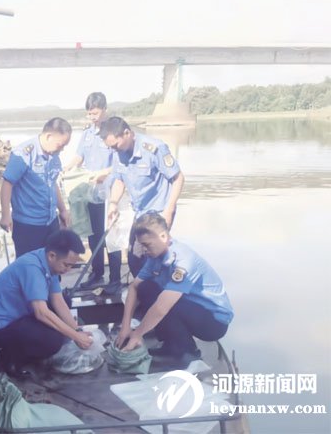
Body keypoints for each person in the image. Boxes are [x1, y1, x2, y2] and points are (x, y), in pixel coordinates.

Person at [115, 212, 233, 369]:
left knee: (166, 302)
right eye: (141, 245)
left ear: (163, 236)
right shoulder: (155, 257)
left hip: (213, 321)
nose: (144, 250)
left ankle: (187, 351)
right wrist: (125, 327)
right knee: (146, 288)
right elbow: (134, 287)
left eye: (147, 245)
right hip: (188, 306)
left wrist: (137, 334)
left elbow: (162, 307)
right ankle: (171, 345)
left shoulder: (183, 260)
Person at [0, 229, 93, 373]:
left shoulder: (49, 262)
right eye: (66, 265)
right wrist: (76, 337)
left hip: (21, 315)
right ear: (52, 255)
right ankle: (8, 358)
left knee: (66, 300)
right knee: (52, 342)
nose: (68, 269)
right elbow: (41, 313)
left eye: (71, 266)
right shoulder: (32, 268)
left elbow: (58, 301)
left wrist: (77, 330)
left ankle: (29, 346)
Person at [100, 116, 185, 276]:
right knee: (134, 258)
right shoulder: (119, 152)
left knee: (154, 258)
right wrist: (113, 203)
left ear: (127, 133)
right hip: (140, 213)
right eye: (110, 147)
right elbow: (119, 179)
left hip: (159, 213)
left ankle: (162, 288)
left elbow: (178, 178)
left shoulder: (155, 149)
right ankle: (143, 288)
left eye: (115, 145)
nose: (114, 150)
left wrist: (169, 210)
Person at [64, 92, 122, 292]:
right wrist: (68, 167)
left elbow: (119, 164)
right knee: (94, 235)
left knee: (111, 238)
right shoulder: (87, 133)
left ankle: (115, 279)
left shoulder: (112, 131)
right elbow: (79, 156)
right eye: (89, 114)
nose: (92, 117)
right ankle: (97, 274)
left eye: (95, 113)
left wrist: (104, 173)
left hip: (109, 194)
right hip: (91, 192)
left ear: (105, 109)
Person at [0, 118, 72, 258]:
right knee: (29, 265)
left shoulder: (53, 155)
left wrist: (63, 210)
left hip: (50, 221)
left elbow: (52, 183)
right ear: (49, 136)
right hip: (28, 225)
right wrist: (5, 215)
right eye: (60, 145)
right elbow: (7, 183)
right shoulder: (23, 154)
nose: (62, 149)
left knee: (53, 262)